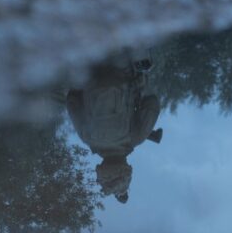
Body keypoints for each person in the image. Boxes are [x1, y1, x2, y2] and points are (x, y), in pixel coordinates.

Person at [65, 49, 163, 204]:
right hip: (91, 67)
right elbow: (72, 100)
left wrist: (139, 89)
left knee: (146, 63)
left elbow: (152, 103)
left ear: (126, 170)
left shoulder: (135, 138)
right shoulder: (87, 138)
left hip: (124, 66)